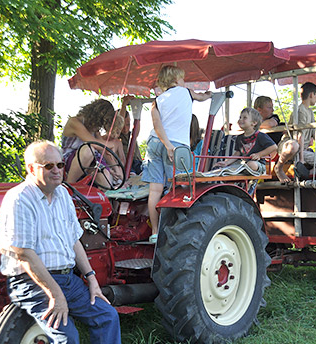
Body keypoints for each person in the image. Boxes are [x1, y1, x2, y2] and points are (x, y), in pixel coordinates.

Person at [0, 141, 123, 344]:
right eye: (49, 166)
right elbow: (24, 253)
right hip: (32, 281)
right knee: (66, 337)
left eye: (60, 165)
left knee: (107, 315)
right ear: (32, 169)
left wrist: (91, 279)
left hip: (65, 278)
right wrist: (56, 294)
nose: (57, 170)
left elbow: (74, 240)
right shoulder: (19, 199)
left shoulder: (63, 195)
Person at [143, 65, 212, 243]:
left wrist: (164, 144)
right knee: (180, 187)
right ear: (176, 80)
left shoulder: (157, 101)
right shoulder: (185, 92)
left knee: (155, 189)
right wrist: (209, 95)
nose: (184, 82)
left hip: (154, 142)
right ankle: (176, 232)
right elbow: (202, 97)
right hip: (176, 144)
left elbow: (157, 125)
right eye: (182, 78)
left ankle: (155, 231)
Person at [62, 99, 127, 186]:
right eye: (100, 124)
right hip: (72, 159)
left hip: (92, 161)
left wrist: (115, 168)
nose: (99, 128)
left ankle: (102, 195)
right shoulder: (74, 122)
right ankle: (69, 185)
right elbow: (95, 143)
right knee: (88, 149)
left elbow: (103, 150)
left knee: (106, 181)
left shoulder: (94, 128)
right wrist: (113, 144)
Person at [274, 82, 316, 183]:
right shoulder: (300, 111)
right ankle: (278, 168)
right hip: (291, 146)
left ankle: (305, 174)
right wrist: (301, 158)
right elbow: (299, 134)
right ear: (311, 95)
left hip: (303, 149)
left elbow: (315, 132)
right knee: (294, 145)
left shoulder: (310, 111)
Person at [214, 107, 277, 174]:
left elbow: (273, 147)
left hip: (258, 164)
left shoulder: (260, 136)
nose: (240, 120)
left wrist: (259, 155)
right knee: (225, 169)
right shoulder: (239, 138)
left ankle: (239, 172)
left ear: (254, 123)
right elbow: (237, 153)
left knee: (251, 164)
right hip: (244, 164)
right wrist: (226, 162)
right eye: (240, 117)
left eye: (244, 118)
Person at [117, 97, 143, 175]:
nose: (125, 128)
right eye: (123, 126)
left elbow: (137, 127)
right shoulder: (117, 136)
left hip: (137, 162)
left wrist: (137, 111)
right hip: (126, 164)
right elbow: (119, 121)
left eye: (128, 124)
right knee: (131, 173)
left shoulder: (132, 134)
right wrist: (124, 105)